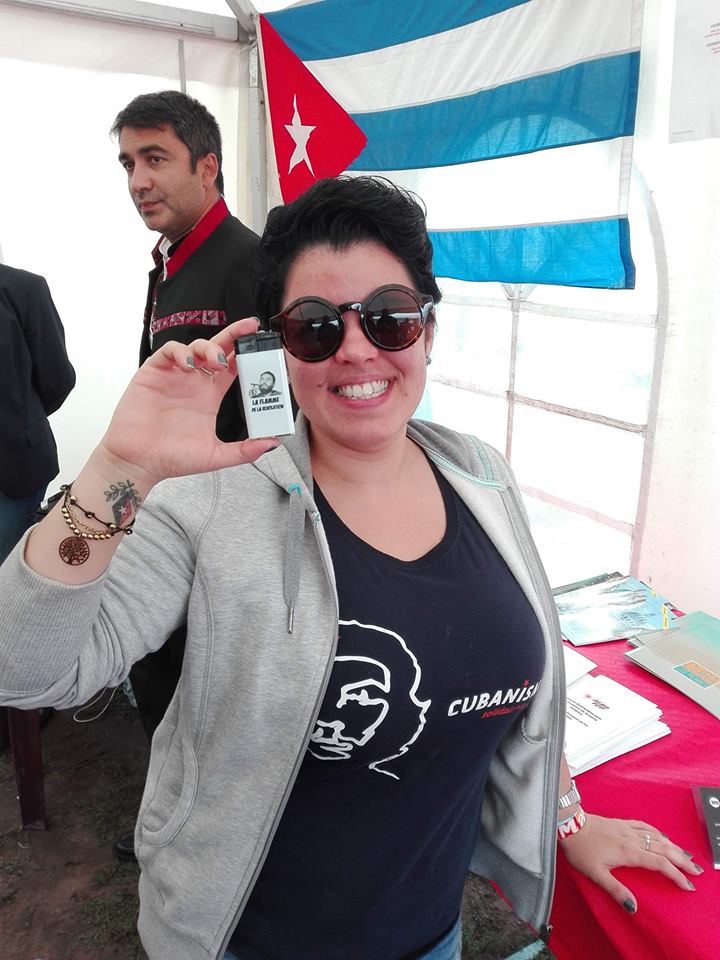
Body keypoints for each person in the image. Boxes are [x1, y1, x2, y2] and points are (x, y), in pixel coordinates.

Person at [0, 177, 701, 960]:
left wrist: (568, 819)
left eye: (390, 317)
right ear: (276, 353)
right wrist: (117, 470)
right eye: (316, 328)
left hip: (431, 935)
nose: (359, 349)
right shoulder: (207, 504)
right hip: (249, 942)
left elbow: (515, 693)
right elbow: (23, 671)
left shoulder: (481, 474)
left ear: (428, 333)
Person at [110, 90, 261, 859]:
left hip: (227, 521)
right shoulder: (168, 263)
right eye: (128, 163)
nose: (138, 180)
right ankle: (172, 813)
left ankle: (204, 829)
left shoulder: (247, 261)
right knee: (157, 670)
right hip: (167, 515)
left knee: (204, 683)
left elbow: (271, 412)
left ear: (208, 166)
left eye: (155, 159)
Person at [0, 262, 75, 561]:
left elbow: (57, 380)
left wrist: (19, 419)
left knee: (8, 574)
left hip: (12, 472)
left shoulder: (23, 288)